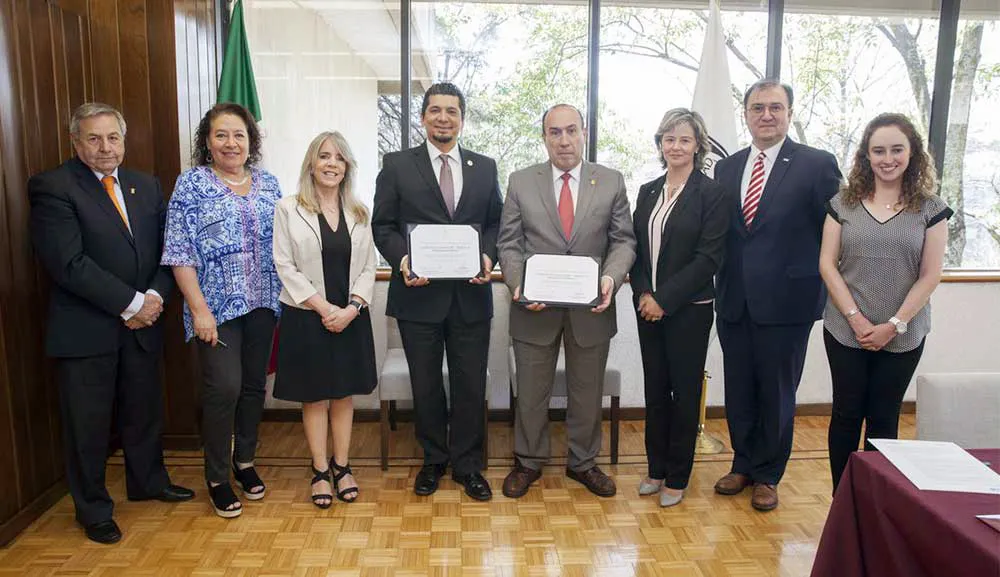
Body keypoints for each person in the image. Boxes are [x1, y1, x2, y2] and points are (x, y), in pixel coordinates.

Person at [28, 102, 194, 544]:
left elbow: (168, 250)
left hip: (144, 323)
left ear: (124, 139)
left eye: (113, 137)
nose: (105, 148)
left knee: (143, 411)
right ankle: (94, 508)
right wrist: (132, 303)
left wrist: (156, 296)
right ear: (75, 142)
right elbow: (69, 264)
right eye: (94, 138)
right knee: (88, 425)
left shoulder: (145, 185)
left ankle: (148, 482)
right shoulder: (53, 187)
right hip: (87, 330)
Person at [713, 80, 842, 511]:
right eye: (756, 108)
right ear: (745, 114)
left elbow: (836, 230)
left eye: (775, 107)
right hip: (734, 300)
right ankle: (743, 463)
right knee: (740, 390)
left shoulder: (816, 164)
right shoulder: (726, 168)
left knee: (777, 391)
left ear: (789, 112)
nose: (765, 115)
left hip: (788, 302)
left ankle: (769, 474)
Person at [497, 104, 636, 499]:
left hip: (592, 307)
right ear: (544, 137)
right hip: (533, 307)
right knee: (532, 389)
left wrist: (610, 278)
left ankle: (583, 463)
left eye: (570, 131)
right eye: (554, 132)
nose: (563, 140)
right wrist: (519, 284)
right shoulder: (521, 181)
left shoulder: (610, 181)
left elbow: (623, 240)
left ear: (584, 132)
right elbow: (509, 242)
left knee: (586, 390)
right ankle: (528, 461)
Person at [372, 82, 503, 501]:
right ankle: (433, 460)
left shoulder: (484, 167)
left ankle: (467, 465)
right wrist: (403, 261)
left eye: (452, 111)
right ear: (423, 117)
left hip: (470, 296)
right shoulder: (396, 165)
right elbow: (383, 226)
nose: (443, 117)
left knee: (468, 384)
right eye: (435, 110)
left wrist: (487, 257)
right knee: (425, 384)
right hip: (417, 295)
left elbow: (497, 223)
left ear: (462, 118)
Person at [161, 103, 282, 518]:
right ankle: (216, 476)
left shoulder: (270, 184)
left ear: (252, 141)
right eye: (221, 135)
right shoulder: (191, 184)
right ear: (207, 142)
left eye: (239, 135)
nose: (231, 143)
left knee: (252, 386)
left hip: (265, 302)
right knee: (223, 388)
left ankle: (244, 461)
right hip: (215, 308)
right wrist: (198, 310)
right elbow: (179, 252)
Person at [819, 113, 950, 492]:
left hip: (904, 334)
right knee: (845, 414)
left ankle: (874, 502)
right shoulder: (842, 203)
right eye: (878, 150)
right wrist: (856, 319)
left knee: (883, 418)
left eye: (897, 149)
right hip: (846, 330)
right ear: (866, 155)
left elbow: (930, 275)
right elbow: (827, 264)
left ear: (913, 154)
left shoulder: (931, 208)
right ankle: (842, 500)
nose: (887, 158)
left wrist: (895, 324)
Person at [630, 108, 731, 507]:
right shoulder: (648, 190)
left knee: (684, 393)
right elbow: (636, 249)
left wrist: (663, 300)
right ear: (660, 144)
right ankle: (656, 469)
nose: (676, 146)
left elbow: (709, 258)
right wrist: (642, 293)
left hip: (688, 309)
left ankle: (677, 476)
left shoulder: (712, 194)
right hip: (647, 308)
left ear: (697, 145)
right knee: (654, 390)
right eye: (668, 138)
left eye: (684, 139)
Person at [272, 131, 377, 507]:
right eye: (324, 156)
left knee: (343, 393)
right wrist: (323, 308)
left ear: (347, 166)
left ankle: (343, 466)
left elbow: (370, 266)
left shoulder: (361, 212)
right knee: (314, 396)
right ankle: (319, 471)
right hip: (307, 316)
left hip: (351, 316)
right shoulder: (288, 208)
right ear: (311, 165)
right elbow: (284, 265)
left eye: (338, 157)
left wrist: (351, 308)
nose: (331, 163)